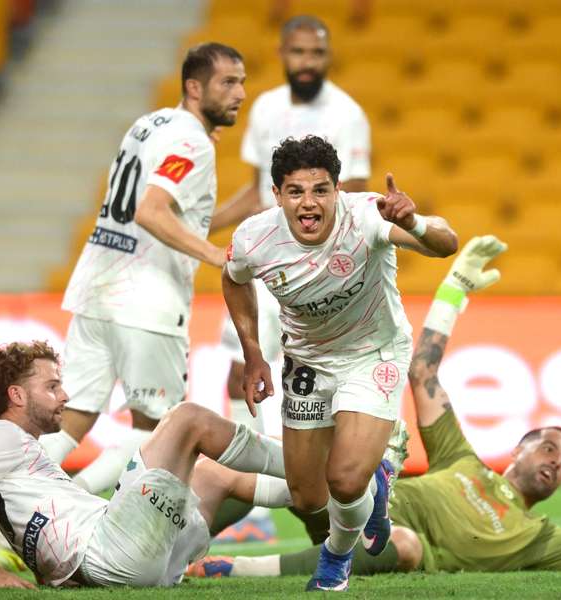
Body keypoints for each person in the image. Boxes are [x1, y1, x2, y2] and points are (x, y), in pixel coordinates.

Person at [189, 235, 561, 579]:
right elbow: (422, 371)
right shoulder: (460, 458)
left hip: (385, 543)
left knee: (405, 545)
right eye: (551, 446)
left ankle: (231, 568)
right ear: (519, 446)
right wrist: (455, 287)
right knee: (227, 474)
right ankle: (163, 539)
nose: (558, 461)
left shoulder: (540, 539)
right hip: (353, 498)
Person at [0, 41, 247, 571]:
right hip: (146, 302)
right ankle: (89, 512)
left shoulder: (150, 124)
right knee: (163, 429)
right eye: (227, 83)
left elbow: (153, 212)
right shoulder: (193, 143)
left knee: (74, 416)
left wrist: (240, 211)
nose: (239, 93)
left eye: (242, 82)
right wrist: (217, 255)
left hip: (98, 284)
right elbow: (153, 213)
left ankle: (3, 539)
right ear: (195, 88)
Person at [222, 135, 458, 590]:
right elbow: (234, 280)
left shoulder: (367, 215)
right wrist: (253, 354)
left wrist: (416, 222)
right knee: (310, 496)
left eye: (321, 190)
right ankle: (381, 477)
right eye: (296, 192)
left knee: (346, 482)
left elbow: (446, 243)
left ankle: (336, 557)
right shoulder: (254, 237)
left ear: (337, 189)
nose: (309, 204)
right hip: (307, 361)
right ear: (277, 195)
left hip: (374, 354)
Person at [0, 341, 289, 589]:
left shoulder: (26, 454)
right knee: (186, 418)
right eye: (52, 386)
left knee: (216, 474)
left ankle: (319, 486)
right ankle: (305, 466)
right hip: (110, 551)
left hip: (131, 562)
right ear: (17, 395)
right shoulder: (0, 434)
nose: (65, 396)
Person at [209, 14, 371, 545]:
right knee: (242, 366)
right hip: (267, 261)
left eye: (316, 54)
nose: (307, 62)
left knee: (323, 383)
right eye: (298, 52)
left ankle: (338, 486)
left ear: (327, 58)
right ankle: (253, 503)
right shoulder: (264, 108)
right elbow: (258, 191)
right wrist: (208, 222)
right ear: (283, 53)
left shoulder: (348, 114)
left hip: (319, 272)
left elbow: (357, 197)